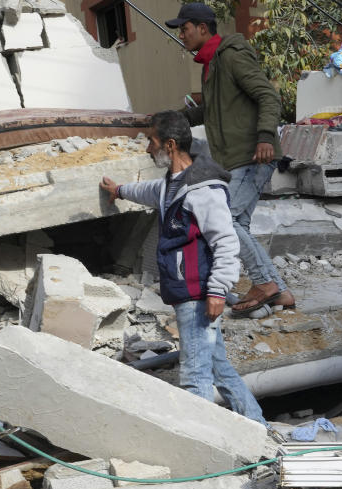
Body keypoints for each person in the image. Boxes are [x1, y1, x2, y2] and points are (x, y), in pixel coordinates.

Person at [99, 111, 266, 425]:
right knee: (218, 368)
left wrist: (218, 290)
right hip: (188, 292)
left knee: (194, 377)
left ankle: (199, 447)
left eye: (152, 141)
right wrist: (120, 190)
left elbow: (226, 242)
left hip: (198, 295)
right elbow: (151, 193)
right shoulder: (175, 183)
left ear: (170, 145)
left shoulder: (204, 191)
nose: (149, 148)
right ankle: (258, 427)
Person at [165, 2, 295, 317]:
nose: (181, 35)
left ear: (201, 27)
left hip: (253, 154)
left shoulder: (232, 55)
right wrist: (170, 119)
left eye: (184, 28)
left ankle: (265, 283)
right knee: (240, 225)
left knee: (227, 220)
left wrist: (265, 136)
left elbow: (267, 95)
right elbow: (210, 110)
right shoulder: (211, 65)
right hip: (236, 159)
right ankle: (279, 292)